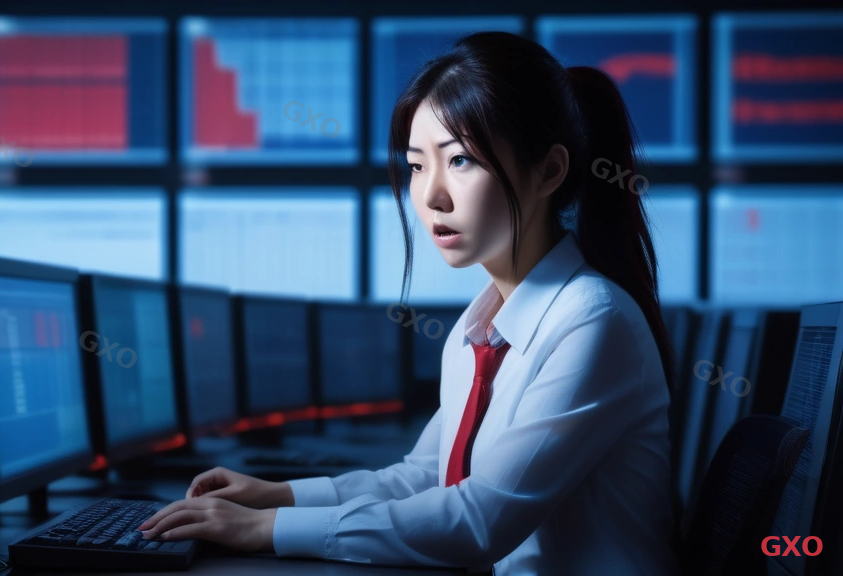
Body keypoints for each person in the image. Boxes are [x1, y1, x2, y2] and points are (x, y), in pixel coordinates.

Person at [138, 31, 680, 575]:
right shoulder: (480, 327)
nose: (430, 196)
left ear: (549, 171)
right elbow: (426, 476)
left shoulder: (592, 322)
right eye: (418, 165)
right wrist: (278, 497)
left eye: (461, 160)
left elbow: (478, 520)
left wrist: (264, 532)